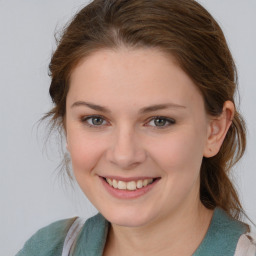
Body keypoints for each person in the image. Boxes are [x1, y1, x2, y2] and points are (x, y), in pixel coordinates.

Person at [16, 0, 256, 255]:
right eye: (96, 120)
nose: (124, 155)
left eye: (159, 121)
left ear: (215, 130)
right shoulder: (46, 249)